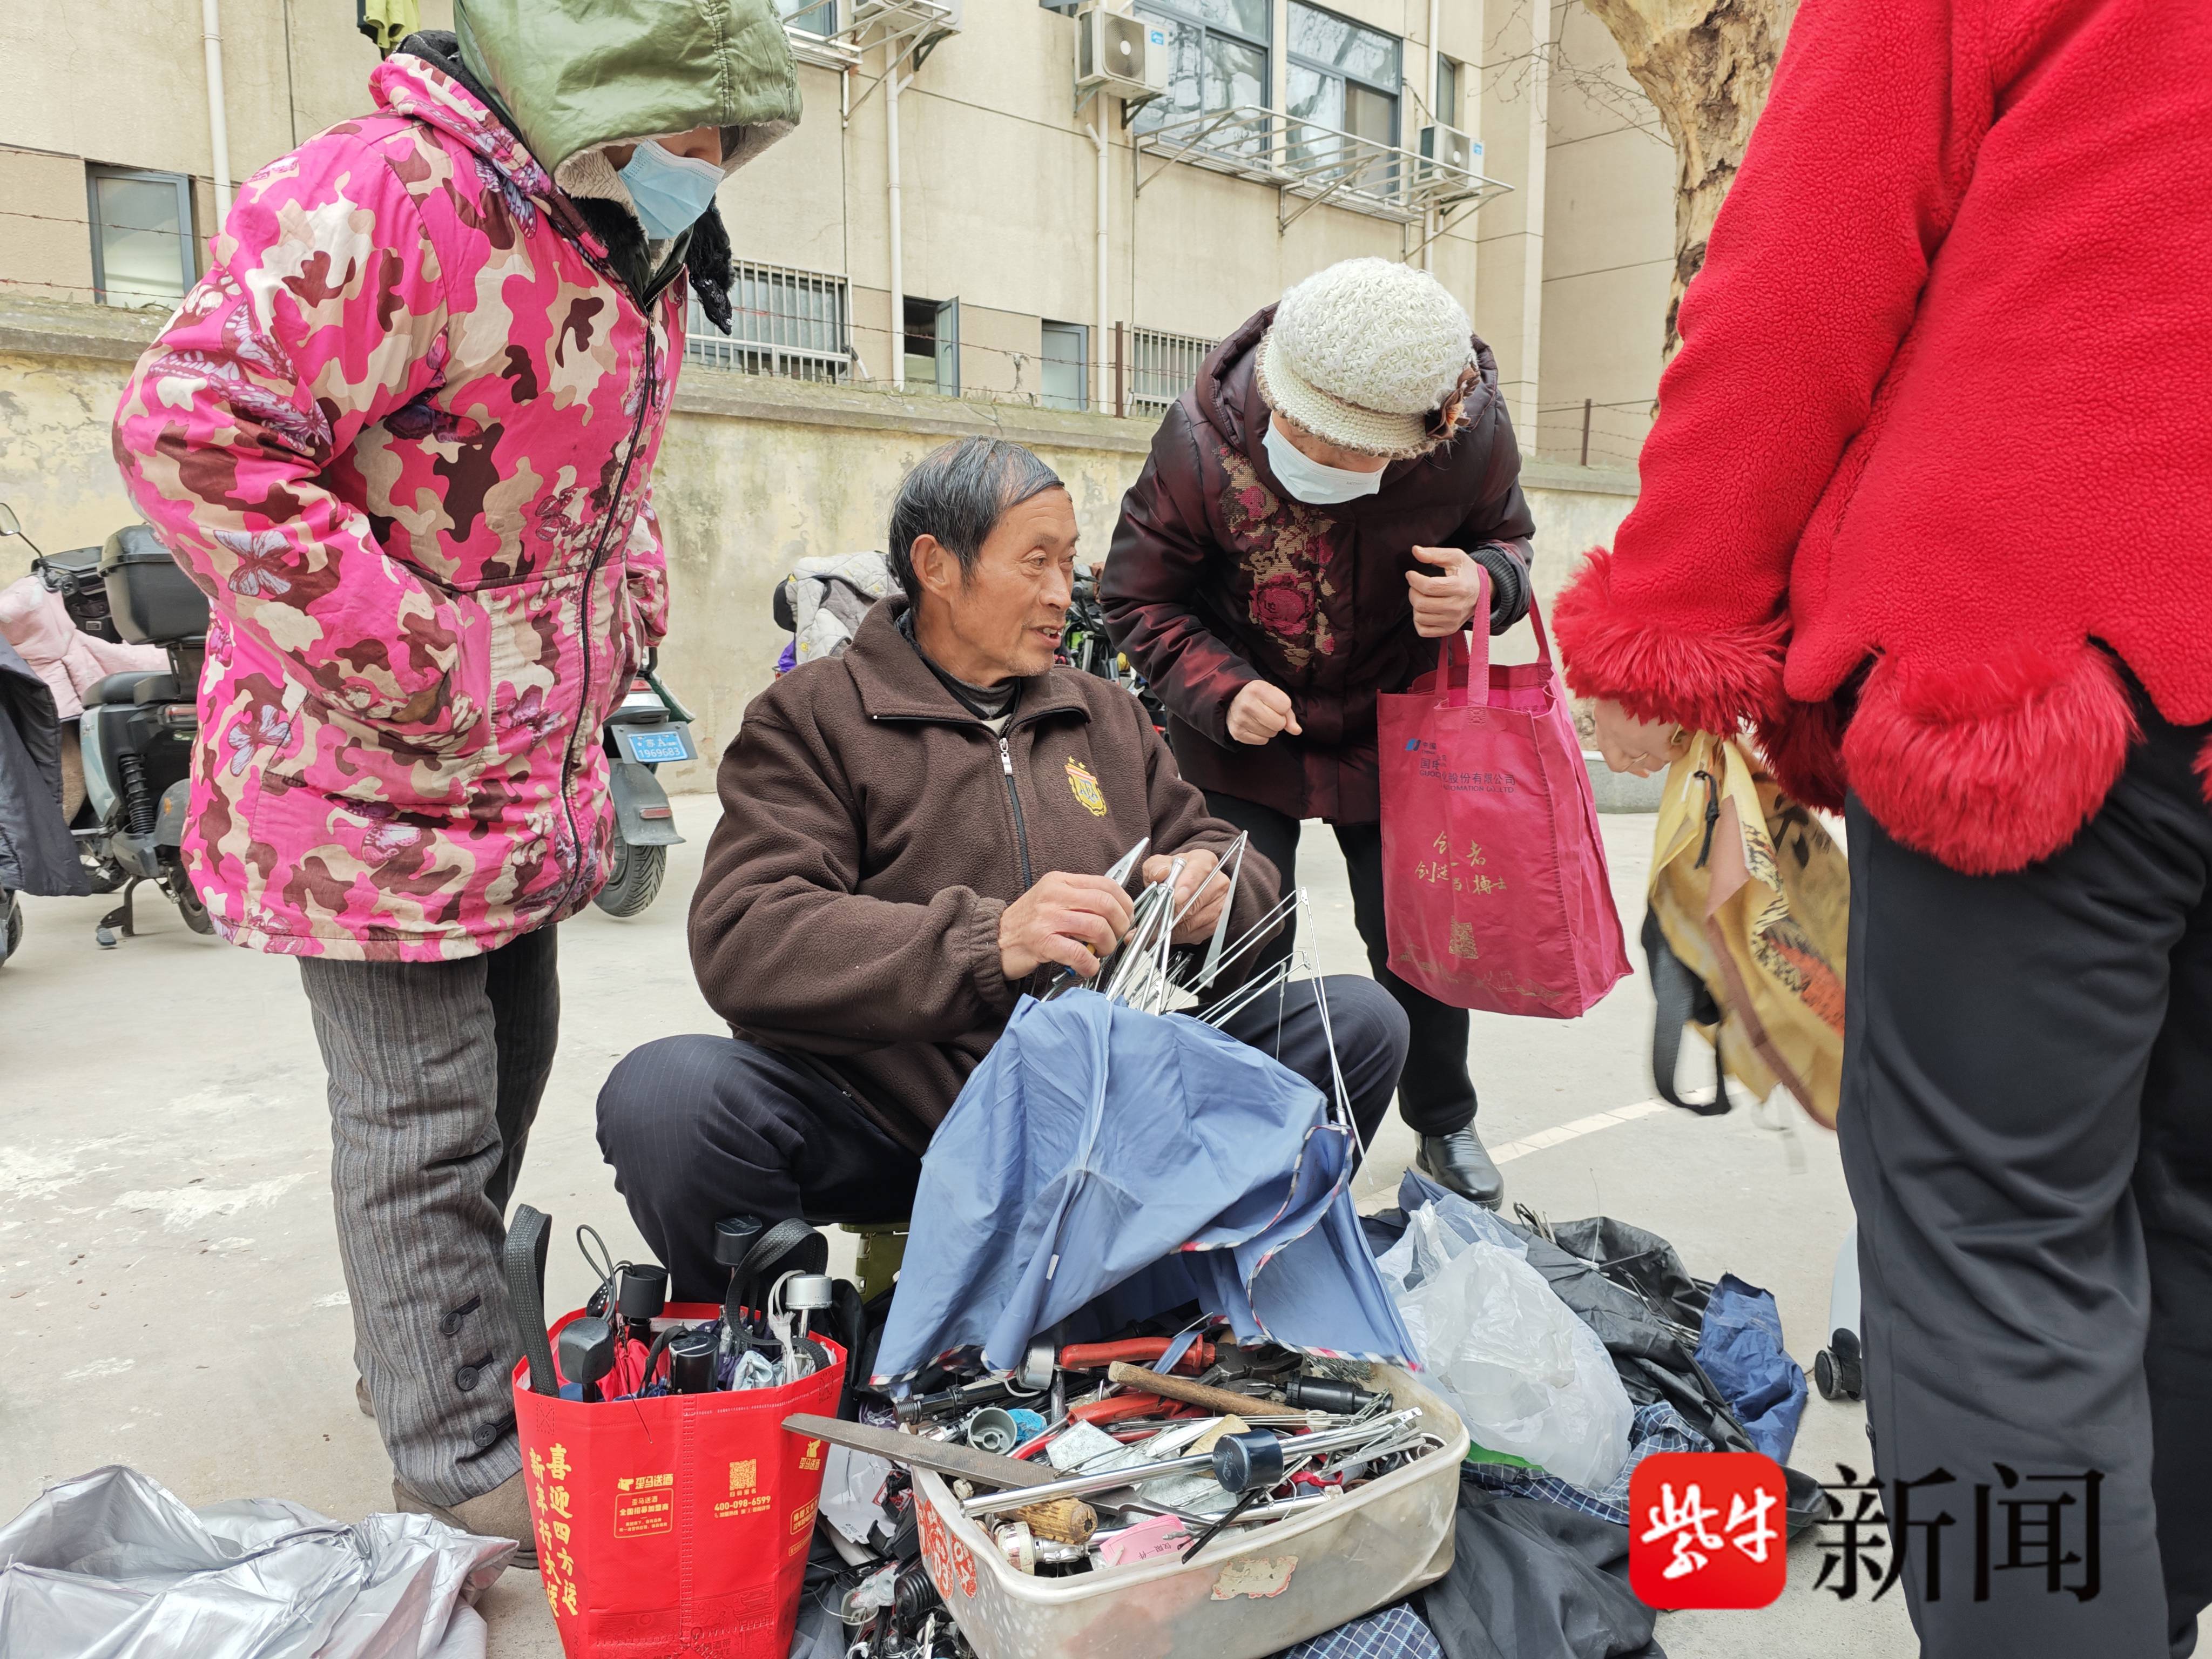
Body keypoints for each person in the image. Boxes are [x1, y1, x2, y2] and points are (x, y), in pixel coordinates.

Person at [1553, 0, 2211, 1651]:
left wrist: (1672, 616)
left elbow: (1810, 255)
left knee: (1998, 1256)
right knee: (2196, 1230)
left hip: (2050, 656)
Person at [109, 2, 801, 1559]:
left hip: (515, 780)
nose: (704, 166)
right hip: (369, 783)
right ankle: (455, 1454)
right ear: (586, 89)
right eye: (684, 134)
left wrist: (624, 609)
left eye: (724, 141)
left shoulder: (615, 231)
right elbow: (193, 430)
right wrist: (426, 659)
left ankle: (423, 1348)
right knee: (420, 1126)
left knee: (502, 1082)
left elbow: (604, 472)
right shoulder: (393, 195)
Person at [596, 438, 1412, 1300]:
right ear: (937, 566)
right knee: (668, 1096)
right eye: (1035, 562)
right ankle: (793, 1344)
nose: (1063, 592)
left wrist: (1214, 892)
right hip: (894, 1120)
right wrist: (991, 941)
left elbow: (1217, 852)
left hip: (1099, 1109)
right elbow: (746, 933)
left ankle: (1194, 1297)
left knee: (1358, 1022)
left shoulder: (1104, 715)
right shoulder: (815, 717)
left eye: (1069, 562)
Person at [1101, 257, 1534, 1210]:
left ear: (1419, 432)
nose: (1315, 456)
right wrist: (1220, 689)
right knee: (1237, 924)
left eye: (1349, 450)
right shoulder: (1199, 441)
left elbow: (1510, 542)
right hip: (1245, 730)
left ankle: (1445, 1120)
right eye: (1302, 432)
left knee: (1419, 935)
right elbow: (1135, 597)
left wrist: (1485, 584)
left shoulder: (1468, 435)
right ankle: (1240, 1122)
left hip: (1402, 725)